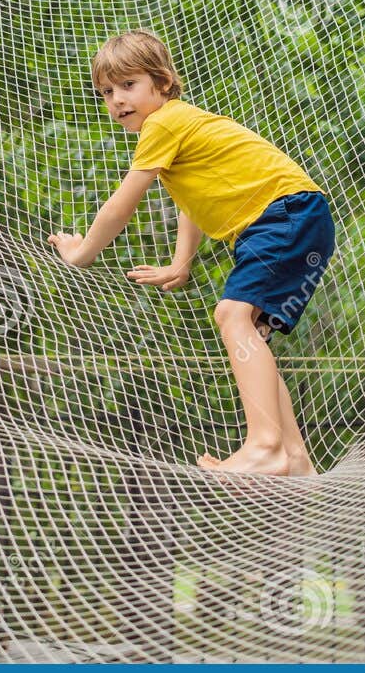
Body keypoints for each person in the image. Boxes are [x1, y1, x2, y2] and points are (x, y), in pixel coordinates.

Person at [46, 30, 336, 476]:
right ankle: (295, 457)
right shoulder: (177, 128)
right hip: (291, 218)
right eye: (106, 92)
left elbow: (122, 204)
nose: (117, 100)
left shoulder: (162, 124)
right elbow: (192, 202)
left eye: (128, 85)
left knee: (231, 316)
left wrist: (81, 252)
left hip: (284, 215)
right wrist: (181, 262)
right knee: (250, 334)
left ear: (162, 83)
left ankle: (265, 445)